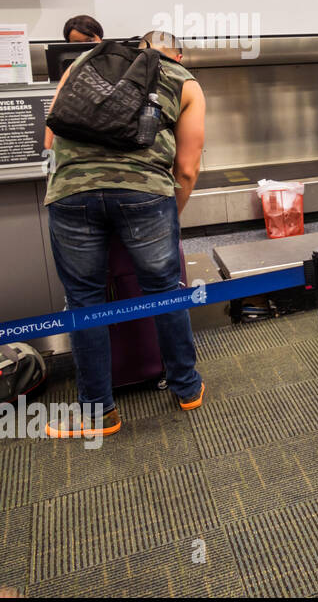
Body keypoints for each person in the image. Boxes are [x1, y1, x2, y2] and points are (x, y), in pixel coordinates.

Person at [42, 30, 207, 438]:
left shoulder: (82, 64)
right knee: (166, 289)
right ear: (178, 54)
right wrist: (170, 212)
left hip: (71, 193)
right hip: (145, 195)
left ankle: (100, 414)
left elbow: (49, 139)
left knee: (85, 301)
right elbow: (187, 168)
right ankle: (187, 388)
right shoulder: (184, 81)